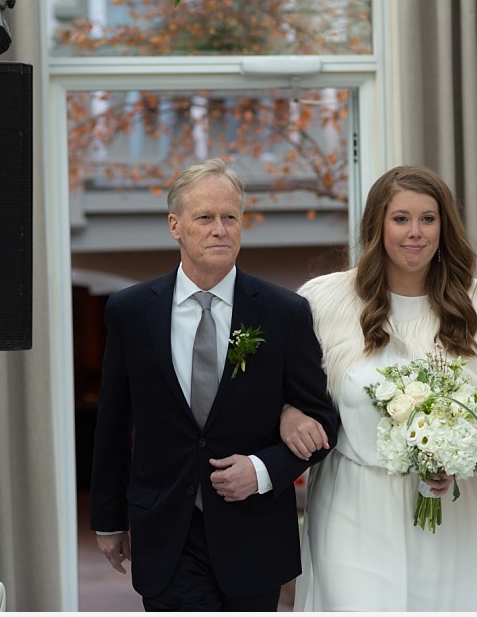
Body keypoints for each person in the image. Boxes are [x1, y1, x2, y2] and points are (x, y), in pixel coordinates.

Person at [280, 165, 477, 611]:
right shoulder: (323, 303)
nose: (414, 233)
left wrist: (464, 459)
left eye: (427, 218)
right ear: (377, 225)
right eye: (400, 219)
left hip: (452, 513)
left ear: (444, 227)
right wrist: (288, 412)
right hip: (353, 507)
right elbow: (287, 390)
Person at [89, 158, 340, 611]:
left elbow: (323, 422)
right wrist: (108, 520)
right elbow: (113, 420)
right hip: (166, 533)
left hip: (255, 535)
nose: (219, 229)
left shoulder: (284, 313)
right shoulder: (130, 311)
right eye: (205, 217)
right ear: (175, 225)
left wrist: (262, 471)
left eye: (230, 217)